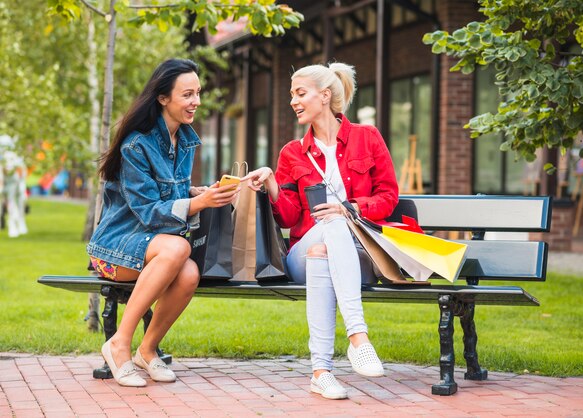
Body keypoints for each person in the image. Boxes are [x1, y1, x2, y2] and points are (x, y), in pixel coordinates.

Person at [244, 62, 399, 399]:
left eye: (300, 93)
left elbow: (388, 196)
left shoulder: (367, 138)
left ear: (325, 95)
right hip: (300, 251)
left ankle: (321, 371)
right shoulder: (292, 153)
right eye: (291, 95)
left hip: (359, 255)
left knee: (324, 248)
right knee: (325, 231)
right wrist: (272, 182)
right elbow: (286, 218)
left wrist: (350, 208)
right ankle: (358, 336)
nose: (293, 101)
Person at [87, 58, 239, 387]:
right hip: (114, 249)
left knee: (188, 273)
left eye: (198, 93)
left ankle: (147, 350)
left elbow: (169, 191)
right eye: (187, 94)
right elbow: (148, 211)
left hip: (154, 248)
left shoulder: (182, 139)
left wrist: (200, 192)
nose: (196, 101)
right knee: (178, 248)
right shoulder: (136, 145)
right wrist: (198, 202)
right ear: (163, 98)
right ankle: (118, 345)